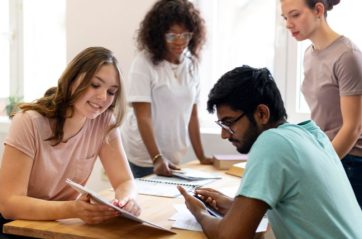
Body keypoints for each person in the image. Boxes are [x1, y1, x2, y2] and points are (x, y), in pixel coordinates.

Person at [178, 66, 362, 239]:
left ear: (261, 114)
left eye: (229, 122)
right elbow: (306, 210)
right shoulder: (311, 134)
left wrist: (199, 213)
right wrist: (236, 207)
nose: (224, 134)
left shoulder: (272, 142)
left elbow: (231, 236)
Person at [0, 47, 140, 238]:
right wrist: (73, 209)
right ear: (72, 79)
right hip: (13, 226)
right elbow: (9, 204)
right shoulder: (28, 122)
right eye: (95, 85)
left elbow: (124, 180)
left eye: (111, 92)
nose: (102, 98)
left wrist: (125, 201)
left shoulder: (104, 122)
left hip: (56, 226)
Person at [280, 0, 362, 207]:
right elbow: (323, 115)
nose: (288, 24)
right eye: (285, 17)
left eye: (295, 15)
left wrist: (321, 167)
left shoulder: (347, 56)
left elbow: (353, 128)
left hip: (351, 161)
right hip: (329, 154)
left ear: (318, 10)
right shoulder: (310, 54)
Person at [121, 0, 213, 178]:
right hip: (143, 156)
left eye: (185, 35)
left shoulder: (191, 66)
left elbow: (192, 115)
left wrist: (201, 156)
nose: (180, 42)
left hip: (173, 155)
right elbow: (143, 116)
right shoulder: (144, 63)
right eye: (172, 36)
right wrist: (156, 157)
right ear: (159, 35)